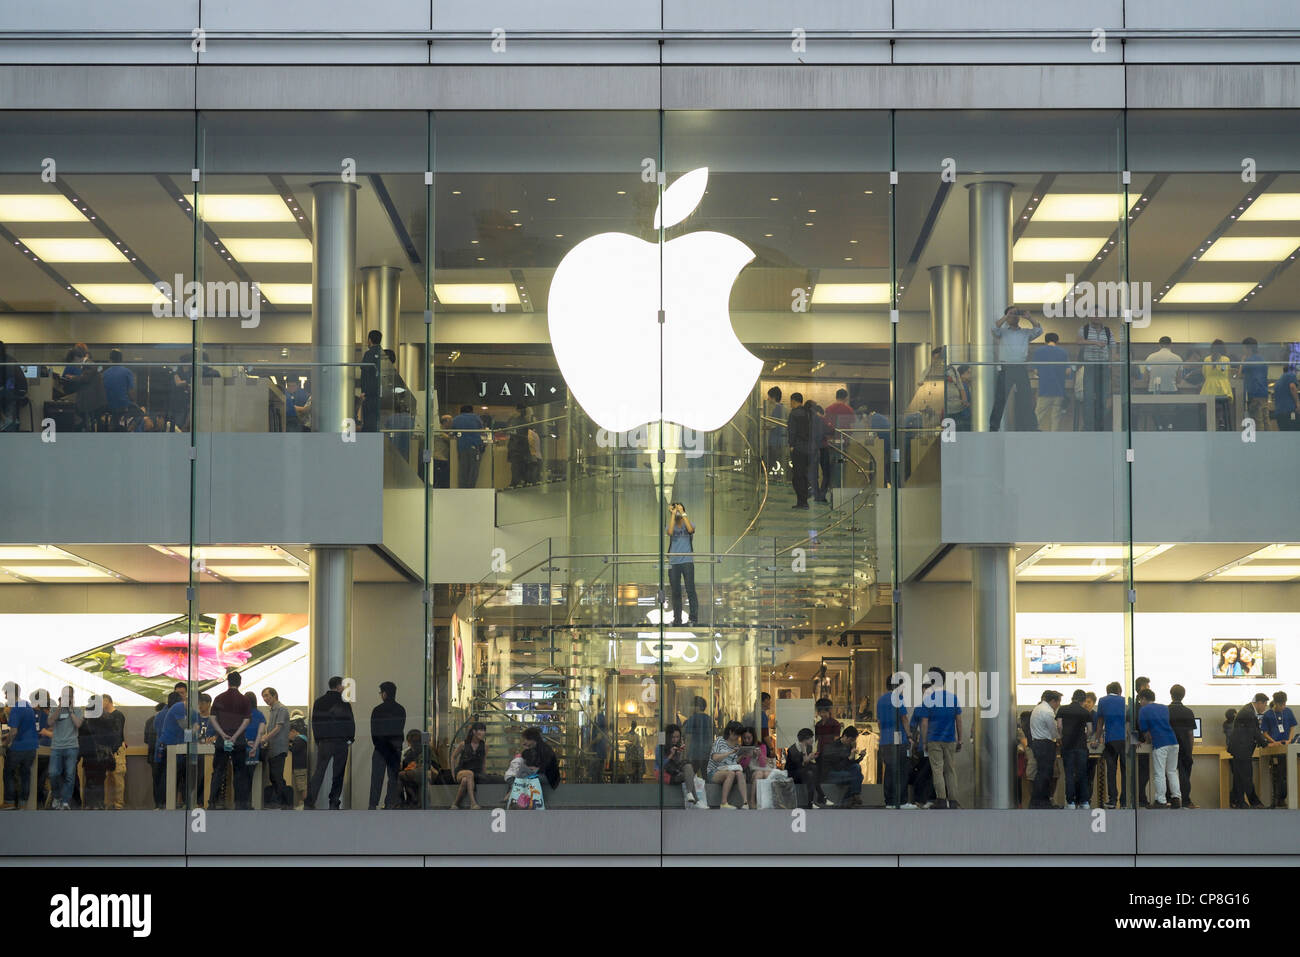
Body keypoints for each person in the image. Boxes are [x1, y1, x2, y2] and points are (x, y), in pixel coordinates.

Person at [989, 306, 1043, 431]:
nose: (1014, 316)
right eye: (1012, 314)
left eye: (1016, 314)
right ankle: (993, 428)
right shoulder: (1002, 331)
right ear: (1007, 316)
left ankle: (1030, 427)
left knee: (1026, 399)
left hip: (1020, 367)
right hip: (1006, 368)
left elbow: (1039, 330)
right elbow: (994, 328)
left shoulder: (1025, 332)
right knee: (1000, 400)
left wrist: (1029, 318)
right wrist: (1007, 316)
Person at [306, 675, 355, 810]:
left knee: (319, 772)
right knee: (338, 773)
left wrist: (318, 740)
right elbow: (349, 722)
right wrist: (350, 738)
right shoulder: (344, 702)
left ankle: (310, 801)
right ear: (339, 686)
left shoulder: (319, 702)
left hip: (325, 742)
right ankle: (334, 801)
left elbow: (315, 722)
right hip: (341, 742)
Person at [918, 668, 963, 809]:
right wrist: (960, 739)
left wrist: (924, 741)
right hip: (950, 739)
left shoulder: (928, 699)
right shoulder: (953, 698)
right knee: (950, 770)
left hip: (933, 739)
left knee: (937, 770)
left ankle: (941, 800)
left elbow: (924, 723)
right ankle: (954, 801)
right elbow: (959, 720)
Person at [210, 671, 253, 810]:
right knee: (240, 772)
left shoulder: (218, 698)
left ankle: (212, 802)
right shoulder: (244, 700)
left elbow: (212, 718)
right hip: (239, 741)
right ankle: (240, 803)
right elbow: (246, 720)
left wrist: (222, 734)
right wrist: (235, 736)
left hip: (222, 742)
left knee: (218, 771)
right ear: (240, 682)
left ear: (228, 682)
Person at [1136, 688, 1180, 809]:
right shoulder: (1164, 708)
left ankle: (1161, 800)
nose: (1140, 702)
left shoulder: (1143, 710)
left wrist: (1146, 741)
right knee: (1172, 771)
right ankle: (1176, 798)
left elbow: (1145, 730)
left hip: (1160, 743)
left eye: (1140, 700)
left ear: (1144, 698)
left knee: (1159, 773)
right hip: (1173, 741)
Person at [1227, 694, 1270, 809]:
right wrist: (1266, 744)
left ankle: (1237, 801)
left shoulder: (1247, 710)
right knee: (1246, 776)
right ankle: (1254, 802)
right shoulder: (1248, 713)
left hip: (1240, 749)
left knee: (1239, 776)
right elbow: (1255, 732)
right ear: (1259, 702)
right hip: (1242, 749)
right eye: (1265, 704)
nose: (1265, 707)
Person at [369, 681, 406, 810]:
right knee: (393, 779)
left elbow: (374, 732)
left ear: (384, 693)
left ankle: (373, 804)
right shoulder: (401, 710)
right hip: (395, 748)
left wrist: (381, 746)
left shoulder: (377, 710)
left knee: (376, 778)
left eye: (381, 692)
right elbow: (400, 729)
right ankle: (389, 803)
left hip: (380, 748)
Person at [47, 687, 84, 810]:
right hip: (56, 746)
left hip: (71, 746)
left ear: (72, 697)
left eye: (69, 695)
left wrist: (70, 710)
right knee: (53, 773)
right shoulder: (54, 709)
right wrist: (59, 707)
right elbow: (50, 722)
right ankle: (57, 796)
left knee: (70, 775)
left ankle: (65, 801)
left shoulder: (77, 710)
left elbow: (78, 724)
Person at [1055, 689, 1093, 809]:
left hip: (1067, 746)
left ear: (1073, 697)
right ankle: (1085, 802)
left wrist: (1062, 737)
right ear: (1082, 700)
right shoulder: (1085, 712)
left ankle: (1070, 802)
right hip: (1081, 746)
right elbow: (1090, 730)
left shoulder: (1062, 710)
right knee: (1082, 774)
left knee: (1069, 774)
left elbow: (1059, 726)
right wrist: (1084, 737)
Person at [1, 685, 37, 809]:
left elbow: (14, 731)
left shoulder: (16, 708)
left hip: (19, 747)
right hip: (31, 747)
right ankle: (23, 804)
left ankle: (9, 801)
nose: (5, 697)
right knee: (25, 774)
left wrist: (5, 744)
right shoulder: (26, 705)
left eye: (6, 694)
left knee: (8, 772)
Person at [1077, 315, 1115, 431]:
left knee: (1103, 397)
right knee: (1088, 397)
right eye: (1095, 315)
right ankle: (1088, 426)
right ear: (1090, 317)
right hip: (1090, 365)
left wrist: (1111, 362)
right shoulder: (1084, 329)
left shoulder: (1108, 331)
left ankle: (1100, 425)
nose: (1097, 317)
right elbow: (1078, 341)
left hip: (1104, 365)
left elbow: (1113, 346)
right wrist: (1095, 343)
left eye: (1099, 315)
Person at [1261, 691, 1297, 808]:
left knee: (1287, 774)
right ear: (1275, 703)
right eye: (1281, 704)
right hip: (1275, 748)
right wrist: (1273, 742)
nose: (1283, 706)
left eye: (1285, 704)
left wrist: (1290, 740)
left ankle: (1284, 799)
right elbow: (1265, 733)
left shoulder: (1288, 712)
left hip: (1287, 747)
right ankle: (1276, 800)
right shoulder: (1268, 715)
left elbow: (1292, 727)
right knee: (1277, 775)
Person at [154, 691, 188, 808]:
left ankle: (160, 804)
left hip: (160, 747)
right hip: (173, 749)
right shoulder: (178, 713)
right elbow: (184, 730)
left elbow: (156, 730)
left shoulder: (159, 715)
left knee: (161, 776)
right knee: (171, 777)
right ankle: (168, 803)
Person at [1140, 336, 1183, 430]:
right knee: (1170, 413)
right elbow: (1179, 380)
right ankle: (1169, 426)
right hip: (1171, 390)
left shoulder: (1150, 357)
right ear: (1171, 345)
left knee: (1156, 412)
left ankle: (1159, 427)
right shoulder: (1177, 358)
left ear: (1159, 345)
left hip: (1154, 390)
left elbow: (1146, 378)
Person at [666, 501, 698, 626]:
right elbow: (669, 532)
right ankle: (677, 619)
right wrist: (673, 514)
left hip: (687, 561)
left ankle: (693, 618)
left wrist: (683, 512)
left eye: (680, 509)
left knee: (690, 590)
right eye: (676, 509)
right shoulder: (672, 524)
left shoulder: (688, 523)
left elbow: (690, 529)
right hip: (674, 562)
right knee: (676, 592)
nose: (678, 511)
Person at [1029, 690, 1062, 809]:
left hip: (1037, 743)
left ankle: (1036, 800)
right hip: (1046, 744)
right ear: (1053, 701)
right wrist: (1059, 738)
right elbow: (1053, 731)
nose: (1058, 705)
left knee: (1041, 772)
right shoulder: (1048, 712)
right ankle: (1042, 801)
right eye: (1058, 702)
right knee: (1046, 774)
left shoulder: (1037, 708)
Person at [877, 677, 907, 808]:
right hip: (898, 739)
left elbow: (879, 722)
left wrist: (884, 734)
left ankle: (889, 801)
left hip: (885, 740)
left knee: (889, 771)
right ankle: (901, 801)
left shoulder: (880, 700)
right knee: (901, 771)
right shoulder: (898, 698)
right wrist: (910, 735)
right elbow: (904, 718)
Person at [1096, 681, 1126, 809]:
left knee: (1111, 771)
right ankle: (1125, 801)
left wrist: (1097, 739)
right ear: (1120, 691)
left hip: (1111, 740)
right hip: (1124, 740)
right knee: (1125, 771)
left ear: (1107, 691)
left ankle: (1112, 800)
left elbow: (1100, 722)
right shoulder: (1125, 700)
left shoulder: (1102, 701)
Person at [1167, 685, 1197, 809]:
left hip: (1169, 745)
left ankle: (1170, 799)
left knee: (1169, 773)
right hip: (1184, 747)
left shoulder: (1166, 710)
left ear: (1171, 694)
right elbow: (1190, 734)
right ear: (1183, 695)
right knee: (1185, 775)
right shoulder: (1188, 712)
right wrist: (1191, 751)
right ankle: (1186, 800)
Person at [260, 688, 290, 809]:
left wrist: (265, 738)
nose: (265, 698)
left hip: (279, 747)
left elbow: (278, 727)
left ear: (274, 695)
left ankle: (280, 801)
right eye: (263, 696)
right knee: (274, 776)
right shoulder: (272, 710)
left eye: (267, 696)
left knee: (276, 775)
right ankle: (284, 801)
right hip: (272, 748)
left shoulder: (281, 709)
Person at [1033, 332, 1070, 432]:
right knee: (1055, 417)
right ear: (1057, 341)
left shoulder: (1038, 351)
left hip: (1044, 389)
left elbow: (1036, 371)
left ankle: (1032, 438)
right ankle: (1054, 439)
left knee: (1038, 415)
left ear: (1045, 341)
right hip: (1059, 390)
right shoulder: (1063, 352)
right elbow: (1068, 371)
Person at [819, 726, 865, 808]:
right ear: (844, 736)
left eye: (853, 740)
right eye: (851, 740)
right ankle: (850, 797)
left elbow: (850, 764)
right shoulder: (832, 747)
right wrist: (849, 757)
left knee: (856, 767)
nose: (851, 742)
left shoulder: (849, 746)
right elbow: (837, 767)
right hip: (831, 773)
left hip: (843, 771)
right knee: (857, 776)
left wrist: (860, 758)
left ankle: (854, 795)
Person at [707, 721, 748, 809]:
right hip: (714, 772)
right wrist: (730, 752)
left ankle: (745, 802)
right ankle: (724, 802)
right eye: (736, 734)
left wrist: (741, 755)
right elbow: (715, 757)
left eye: (739, 735)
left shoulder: (737, 745)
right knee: (731, 773)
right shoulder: (720, 740)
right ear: (730, 732)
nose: (738, 737)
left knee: (740, 773)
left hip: (729, 771)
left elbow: (733, 763)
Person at [811, 697, 842, 808]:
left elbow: (836, 740)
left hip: (829, 755)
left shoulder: (835, 724)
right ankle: (821, 798)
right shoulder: (818, 725)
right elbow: (816, 740)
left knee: (823, 776)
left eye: (824, 711)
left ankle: (823, 798)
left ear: (829, 711)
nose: (822, 714)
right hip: (820, 754)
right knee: (817, 775)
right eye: (820, 712)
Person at [655, 724, 698, 804]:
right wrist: (671, 755)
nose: (675, 739)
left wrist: (679, 753)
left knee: (688, 767)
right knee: (689, 775)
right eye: (673, 737)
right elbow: (661, 764)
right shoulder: (660, 747)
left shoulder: (676, 746)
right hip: (663, 774)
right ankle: (696, 800)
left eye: (677, 737)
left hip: (674, 772)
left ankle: (689, 793)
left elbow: (678, 764)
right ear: (668, 737)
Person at [450, 721, 487, 810]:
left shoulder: (485, 746)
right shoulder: (463, 744)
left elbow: (484, 761)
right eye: (481, 730)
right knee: (469, 774)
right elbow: (453, 757)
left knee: (465, 781)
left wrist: (484, 774)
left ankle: (455, 804)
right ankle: (473, 803)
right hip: (461, 771)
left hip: (476, 773)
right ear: (474, 731)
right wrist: (453, 773)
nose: (483, 733)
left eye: (484, 730)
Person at [785, 392, 812, 509]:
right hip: (809, 448)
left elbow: (792, 430)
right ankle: (805, 499)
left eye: (791, 401)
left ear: (794, 401)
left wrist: (791, 445)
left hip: (798, 448)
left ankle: (802, 502)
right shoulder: (808, 413)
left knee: (797, 476)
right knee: (804, 474)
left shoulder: (794, 414)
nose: (790, 404)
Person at [1201, 339, 1233, 431]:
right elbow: (1226, 373)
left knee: (1210, 407)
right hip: (1222, 388)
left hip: (1209, 388)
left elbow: (1204, 373)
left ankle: (1211, 424)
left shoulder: (1206, 359)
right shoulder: (1226, 359)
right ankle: (1221, 419)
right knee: (1221, 405)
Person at [1240, 337, 1271, 432]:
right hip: (1264, 394)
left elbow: (1240, 374)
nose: (1243, 350)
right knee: (1266, 420)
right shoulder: (1262, 360)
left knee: (1257, 421)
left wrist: (1242, 361)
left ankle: (1260, 444)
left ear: (1248, 348)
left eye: (1244, 348)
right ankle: (1269, 442)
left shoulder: (1249, 361)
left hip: (1254, 394)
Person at [450, 404, 485, 488]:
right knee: (473, 470)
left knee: (463, 469)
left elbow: (453, 433)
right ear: (471, 411)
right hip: (474, 446)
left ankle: (462, 488)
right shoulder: (476, 417)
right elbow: (482, 430)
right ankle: (470, 489)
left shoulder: (456, 419)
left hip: (462, 447)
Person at [785, 728, 817, 809]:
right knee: (810, 773)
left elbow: (806, 764)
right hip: (793, 773)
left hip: (803, 771)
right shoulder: (792, 750)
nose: (812, 740)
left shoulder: (809, 747)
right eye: (811, 738)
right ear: (805, 739)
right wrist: (806, 756)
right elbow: (799, 765)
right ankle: (812, 801)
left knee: (814, 769)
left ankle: (819, 797)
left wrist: (810, 759)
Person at [683, 696, 713, 781]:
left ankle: (690, 793)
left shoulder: (692, 719)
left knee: (690, 777)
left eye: (692, 705)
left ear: (697, 707)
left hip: (694, 753)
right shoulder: (709, 719)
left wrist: (686, 755)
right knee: (706, 777)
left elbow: (688, 738)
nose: (690, 708)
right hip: (707, 752)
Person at [143, 700, 167, 809]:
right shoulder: (167, 721)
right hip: (166, 754)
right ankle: (164, 803)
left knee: (156, 780)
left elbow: (146, 739)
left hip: (153, 755)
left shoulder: (149, 721)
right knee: (166, 779)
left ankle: (157, 803)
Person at [359, 329, 383, 433]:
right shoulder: (383, 354)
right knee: (377, 421)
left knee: (369, 422)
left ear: (369, 340)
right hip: (380, 395)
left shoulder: (368, 354)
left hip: (369, 396)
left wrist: (364, 392)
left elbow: (366, 373)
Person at [1133, 675, 1151, 807]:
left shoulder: (1141, 706)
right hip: (1140, 745)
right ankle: (1140, 798)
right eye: (1146, 686)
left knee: (1144, 773)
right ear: (1141, 688)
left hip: (1143, 743)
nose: (1149, 688)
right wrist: (1135, 741)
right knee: (1142, 773)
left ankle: (1141, 797)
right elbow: (1132, 724)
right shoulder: (1136, 707)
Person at [288, 714, 309, 809]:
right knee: (301, 786)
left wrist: (288, 745)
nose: (289, 737)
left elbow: (293, 750)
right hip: (301, 767)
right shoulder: (303, 739)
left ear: (293, 731)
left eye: (289, 734)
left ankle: (305, 804)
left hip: (300, 768)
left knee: (302, 787)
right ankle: (302, 803)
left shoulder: (299, 740)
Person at [766, 386, 786, 475]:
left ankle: (775, 477)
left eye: (769, 396)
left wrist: (766, 427)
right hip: (780, 440)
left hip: (776, 441)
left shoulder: (777, 408)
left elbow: (774, 424)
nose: (768, 399)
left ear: (773, 397)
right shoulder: (783, 408)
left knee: (775, 460)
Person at [1273, 363, 1299, 431]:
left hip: (1279, 414)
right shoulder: (1290, 375)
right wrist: (1298, 404)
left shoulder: (1278, 382)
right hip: (1289, 412)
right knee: (1294, 434)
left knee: (1284, 434)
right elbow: (1292, 387)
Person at [432, 413, 453, 487]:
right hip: (439, 458)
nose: (452, 423)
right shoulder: (439, 431)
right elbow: (449, 440)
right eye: (450, 421)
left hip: (442, 458)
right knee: (440, 480)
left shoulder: (444, 432)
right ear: (445, 422)